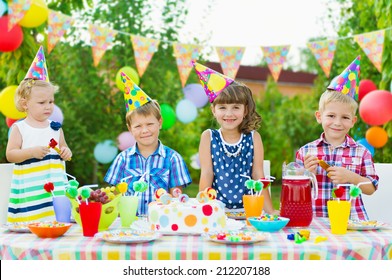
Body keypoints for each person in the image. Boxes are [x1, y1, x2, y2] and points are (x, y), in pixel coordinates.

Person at [296, 56, 379, 220]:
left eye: (345, 118)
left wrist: (351, 177)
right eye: (331, 116)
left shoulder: (362, 153)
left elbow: (371, 188)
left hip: (352, 221)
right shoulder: (305, 152)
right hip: (315, 221)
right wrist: (307, 174)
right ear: (319, 116)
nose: (337, 123)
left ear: (353, 121)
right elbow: (297, 192)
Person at [194, 61, 278, 214]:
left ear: (245, 110)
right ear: (213, 110)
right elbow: (206, 174)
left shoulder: (253, 138)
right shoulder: (208, 137)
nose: (229, 114)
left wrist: (271, 211)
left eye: (236, 107)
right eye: (222, 108)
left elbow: (258, 175)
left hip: (249, 211)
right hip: (218, 212)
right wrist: (203, 209)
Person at [104, 72, 192, 215]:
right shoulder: (123, 159)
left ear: (160, 123)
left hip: (162, 224)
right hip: (130, 224)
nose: (144, 130)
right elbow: (113, 195)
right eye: (138, 126)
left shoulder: (173, 159)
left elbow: (177, 198)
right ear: (130, 129)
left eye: (150, 124)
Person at [6, 46, 72, 223]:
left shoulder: (55, 128)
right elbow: (11, 154)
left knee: (56, 222)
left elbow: (63, 147)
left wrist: (66, 152)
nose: (49, 106)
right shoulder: (20, 128)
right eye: (42, 102)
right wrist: (30, 152)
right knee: (33, 225)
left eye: (51, 101)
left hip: (55, 191)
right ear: (25, 103)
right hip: (31, 191)